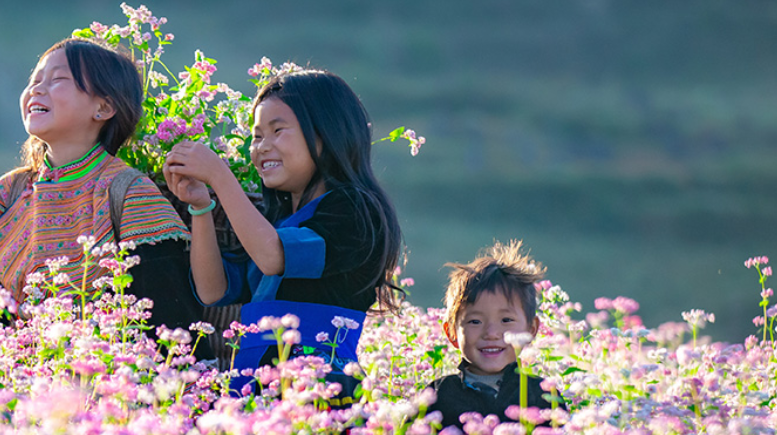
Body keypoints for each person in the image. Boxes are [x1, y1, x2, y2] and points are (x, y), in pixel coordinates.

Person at [163, 70, 403, 405]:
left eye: (278, 131)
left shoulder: (355, 209)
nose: (262, 146)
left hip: (319, 390)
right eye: (257, 136)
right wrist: (202, 207)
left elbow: (274, 257)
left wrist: (220, 175)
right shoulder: (275, 224)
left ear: (326, 133)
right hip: (255, 390)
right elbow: (212, 290)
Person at [0, 37, 206, 353]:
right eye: (34, 81)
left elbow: (169, 327)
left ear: (103, 107)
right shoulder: (5, 195)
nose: (36, 89)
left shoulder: (130, 194)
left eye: (58, 80)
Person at [423, 240, 552, 430]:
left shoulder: (542, 396)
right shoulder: (438, 395)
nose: (491, 334)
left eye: (506, 320)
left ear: (531, 329)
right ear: (451, 332)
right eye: (475, 321)